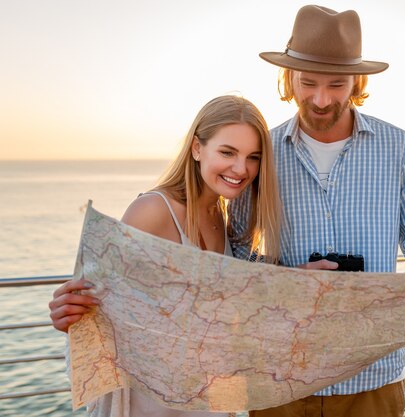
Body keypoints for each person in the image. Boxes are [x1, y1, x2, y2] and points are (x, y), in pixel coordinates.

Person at [228, 5, 405, 417]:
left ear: (357, 81)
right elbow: (234, 250)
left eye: (337, 84)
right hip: (280, 374)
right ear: (288, 79)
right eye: (308, 83)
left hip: (371, 377)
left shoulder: (399, 148)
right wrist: (288, 281)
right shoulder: (261, 152)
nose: (321, 100)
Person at [48, 95, 281, 417]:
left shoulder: (222, 214)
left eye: (253, 157)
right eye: (227, 152)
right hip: (149, 402)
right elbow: (97, 302)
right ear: (197, 148)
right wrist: (68, 311)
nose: (241, 168)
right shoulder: (154, 210)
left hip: (202, 396)